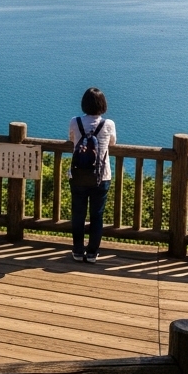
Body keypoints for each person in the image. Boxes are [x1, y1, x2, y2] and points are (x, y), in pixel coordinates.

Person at [68, 87, 115, 263]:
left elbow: (71, 138)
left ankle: (78, 251)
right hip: (101, 176)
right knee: (97, 215)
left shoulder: (75, 121)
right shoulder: (108, 124)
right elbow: (113, 142)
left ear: (84, 103)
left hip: (78, 175)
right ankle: (92, 253)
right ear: (103, 105)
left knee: (78, 214)